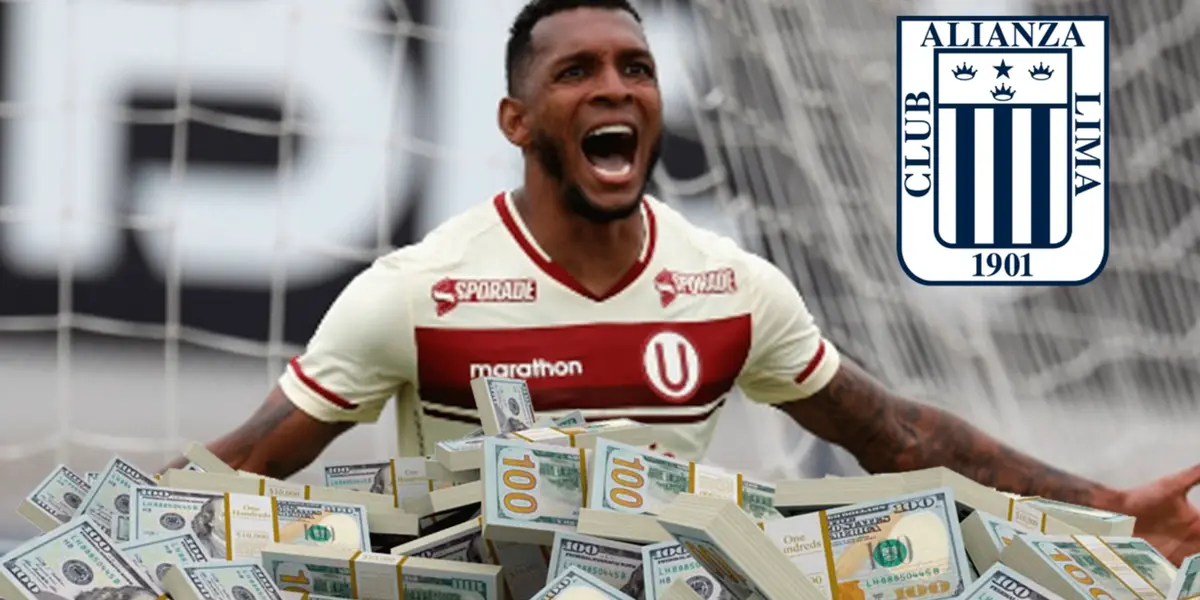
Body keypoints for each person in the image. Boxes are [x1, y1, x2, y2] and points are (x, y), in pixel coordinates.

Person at [166, 0, 1200, 564]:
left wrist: (1111, 508)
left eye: (636, 67)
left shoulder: (731, 289)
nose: (614, 87)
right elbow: (242, 466)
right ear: (516, 122)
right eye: (576, 72)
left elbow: (900, 437)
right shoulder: (418, 293)